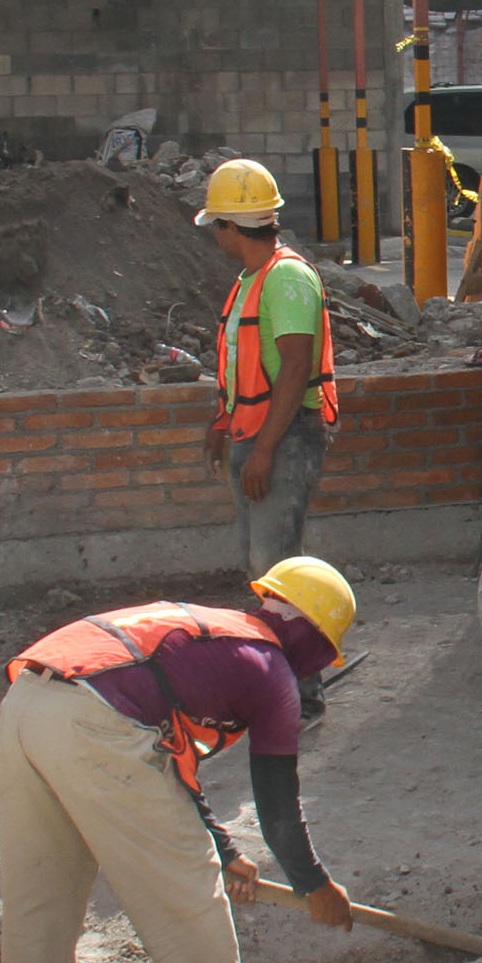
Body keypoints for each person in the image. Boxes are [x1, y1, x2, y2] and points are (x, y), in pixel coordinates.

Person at [0, 558, 362, 963]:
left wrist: (226, 850)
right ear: (315, 639)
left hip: (26, 698)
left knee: (43, 882)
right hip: (94, 718)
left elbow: (171, 763)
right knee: (185, 876)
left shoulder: (213, 636)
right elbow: (278, 804)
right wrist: (315, 886)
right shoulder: (271, 670)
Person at [195, 158, 340, 713]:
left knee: (277, 569)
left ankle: (299, 693)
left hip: (282, 439)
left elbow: (295, 369)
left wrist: (263, 450)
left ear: (232, 227)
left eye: (217, 226)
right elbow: (241, 367)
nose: (215, 236)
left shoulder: (286, 279)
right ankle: (279, 683)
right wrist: (221, 425)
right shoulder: (251, 282)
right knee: (263, 567)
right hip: (255, 437)